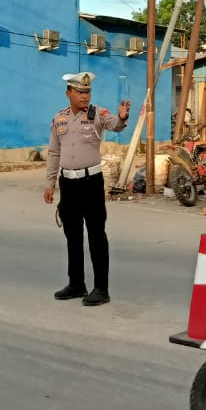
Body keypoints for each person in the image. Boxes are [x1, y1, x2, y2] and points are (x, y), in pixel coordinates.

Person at [44, 72, 131, 307]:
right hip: (68, 184)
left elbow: (114, 123)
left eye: (88, 92)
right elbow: (53, 152)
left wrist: (122, 118)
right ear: (69, 93)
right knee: (72, 235)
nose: (85, 96)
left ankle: (101, 288)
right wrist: (50, 183)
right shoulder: (59, 119)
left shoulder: (96, 114)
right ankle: (76, 284)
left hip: (91, 183)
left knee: (96, 235)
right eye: (80, 92)